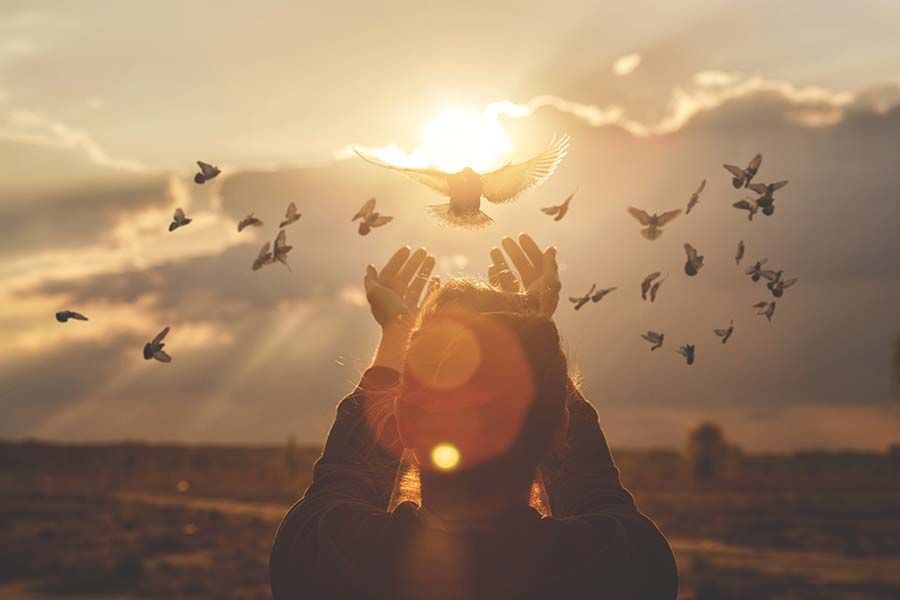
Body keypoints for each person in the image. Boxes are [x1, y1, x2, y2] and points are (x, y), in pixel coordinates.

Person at [270, 234, 677, 599]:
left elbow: (345, 473)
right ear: (561, 428)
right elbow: (594, 485)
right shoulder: (627, 567)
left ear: (401, 422)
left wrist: (398, 328)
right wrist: (532, 332)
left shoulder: (323, 557)